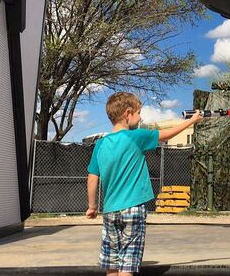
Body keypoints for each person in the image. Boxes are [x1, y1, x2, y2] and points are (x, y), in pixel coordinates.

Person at [86, 92, 202, 276]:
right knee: (127, 265)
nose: (140, 118)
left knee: (112, 263)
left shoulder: (100, 144)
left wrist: (92, 207)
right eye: (139, 113)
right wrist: (192, 121)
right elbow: (166, 134)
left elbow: (92, 177)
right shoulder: (136, 137)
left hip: (109, 211)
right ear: (128, 113)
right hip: (133, 210)